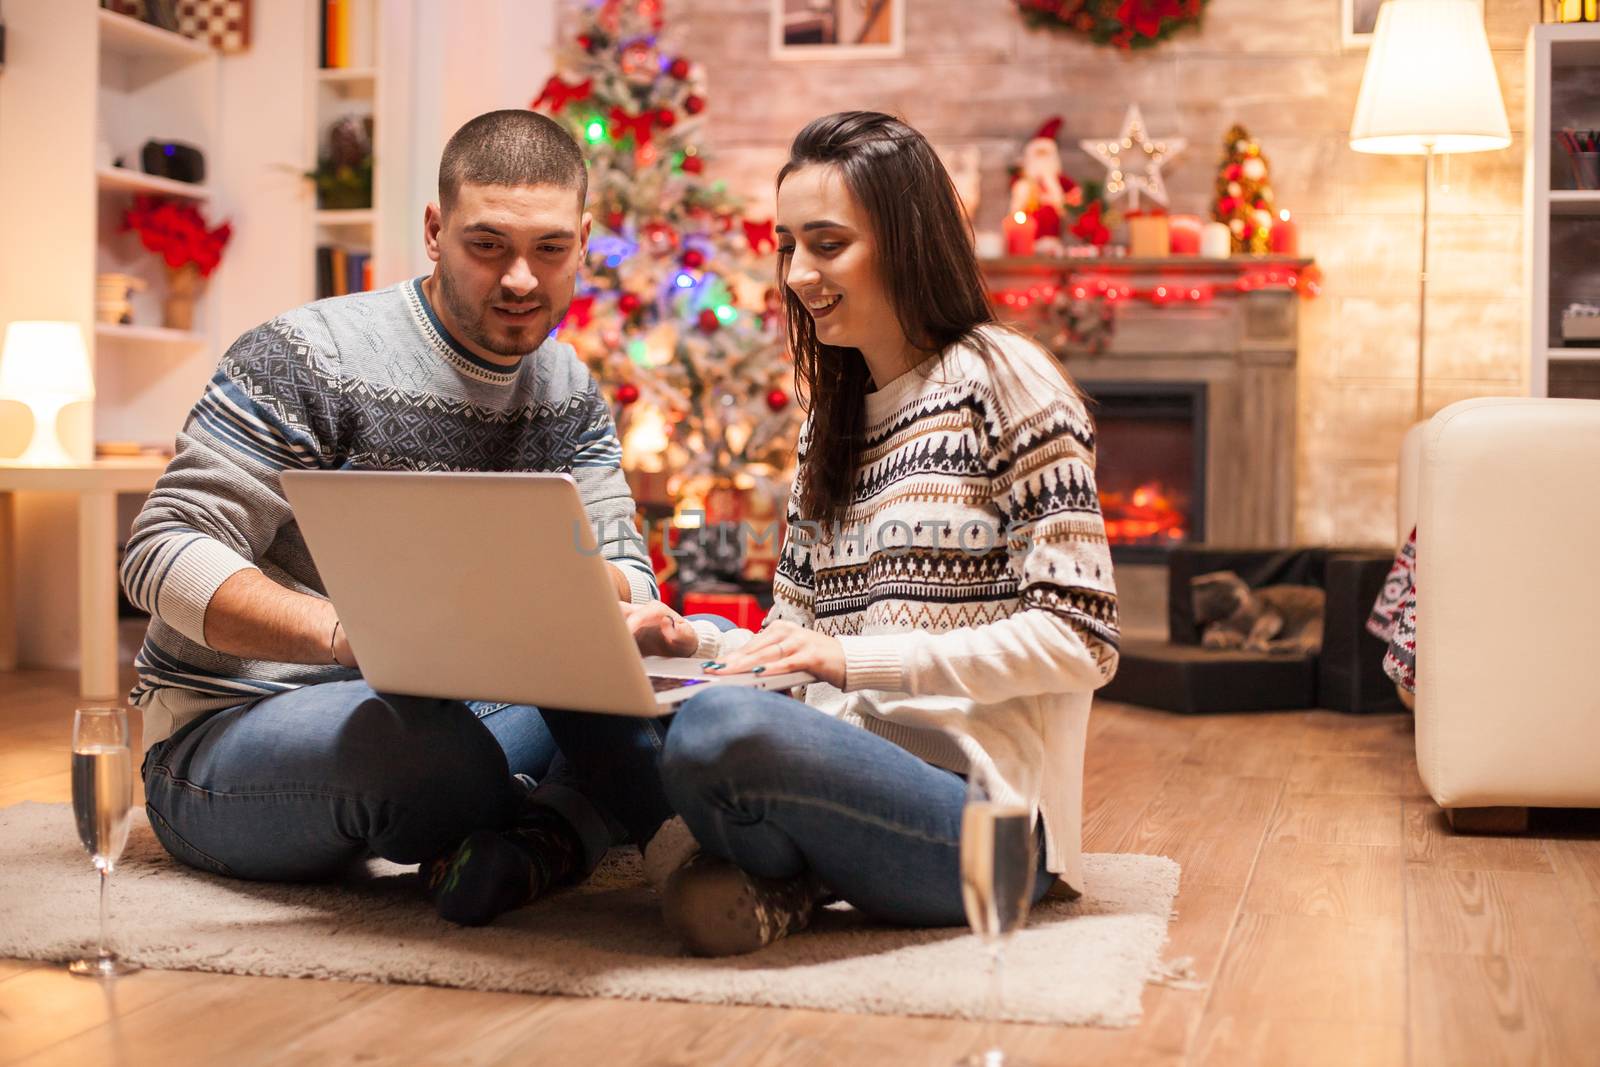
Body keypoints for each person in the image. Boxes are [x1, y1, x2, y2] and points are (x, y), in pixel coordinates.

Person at [522, 111, 1122, 956]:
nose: (799, 273)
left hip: (994, 836)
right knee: (585, 667)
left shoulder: (1008, 381)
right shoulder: (829, 422)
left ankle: (746, 865)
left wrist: (853, 659)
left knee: (720, 734)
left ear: (906, 240)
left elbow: (1082, 638)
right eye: (786, 244)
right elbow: (796, 641)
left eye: (829, 243)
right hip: (835, 765)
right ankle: (770, 869)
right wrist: (690, 641)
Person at [122, 109, 666, 924]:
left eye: (550, 249)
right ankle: (567, 822)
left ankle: (523, 840)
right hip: (239, 727)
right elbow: (159, 553)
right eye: (489, 245)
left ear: (584, 241)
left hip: (463, 710)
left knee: (660, 714)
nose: (522, 278)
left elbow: (622, 557)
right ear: (435, 230)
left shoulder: (569, 391)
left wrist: (617, 612)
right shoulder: (309, 356)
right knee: (428, 757)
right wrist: (347, 634)